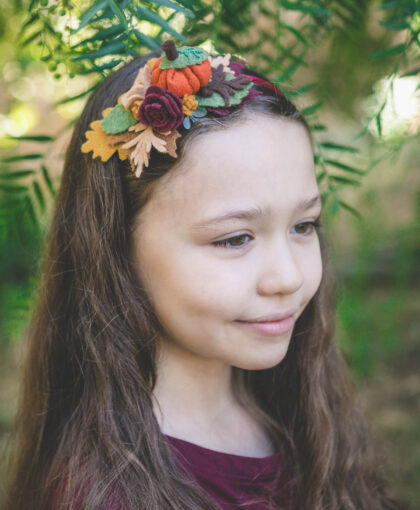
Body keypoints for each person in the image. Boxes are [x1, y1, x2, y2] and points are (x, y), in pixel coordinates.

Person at [2, 40, 408, 510]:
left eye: (303, 226)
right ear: (115, 246)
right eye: (234, 239)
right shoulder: (110, 496)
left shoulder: (298, 407)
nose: (288, 278)